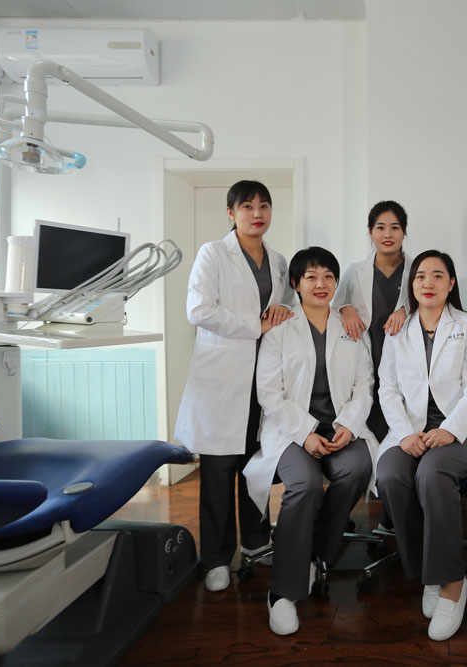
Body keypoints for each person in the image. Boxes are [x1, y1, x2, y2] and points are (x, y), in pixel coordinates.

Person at [242, 246, 376, 637]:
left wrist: (348, 424)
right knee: (305, 484)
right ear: (296, 284)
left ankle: (316, 553)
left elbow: (364, 384)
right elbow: (269, 393)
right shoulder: (281, 328)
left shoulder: (349, 326)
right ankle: (283, 591)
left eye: (328, 276)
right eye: (311, 277)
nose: (321, 284)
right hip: (290, 431)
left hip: (340, 428)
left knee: (357, 468)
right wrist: (304, 433)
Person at [173, 180, 292, 594]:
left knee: (256, 465)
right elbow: (198, 309)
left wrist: (281, 310)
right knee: (219, 473)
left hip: (263, 379)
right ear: (231, 213)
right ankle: (216, 558)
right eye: (247, 206)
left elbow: (287, 304)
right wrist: (254, 326)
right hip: (222, 380)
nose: (257, 213)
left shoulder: (279, 261)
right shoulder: (213, 253)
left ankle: (256, 543)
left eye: (264, 205)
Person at [375, 250, 467, 641]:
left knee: (432, 473)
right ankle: (430, 569)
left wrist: (451, 430)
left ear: (451, 283)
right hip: (409, 428)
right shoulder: (399, 329)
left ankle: (452, 581)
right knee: (390, 475)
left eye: (438, 275)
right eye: (421, 276)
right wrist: (404, 433)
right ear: (412, 284)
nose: (428, 282)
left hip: (458, 428)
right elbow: (387, 387)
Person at [333, 201, 412, 441]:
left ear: (404, 232)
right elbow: (334, 306)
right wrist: (346, 309)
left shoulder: (416, 270)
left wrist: (405, 309)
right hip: (368, 352)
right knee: (371, 414)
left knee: (405, 416)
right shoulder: (355, 271)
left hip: (405, 356)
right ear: (370, 232)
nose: (387, 234)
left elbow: (431, 304)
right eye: (380, 227)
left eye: (395, 227)